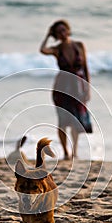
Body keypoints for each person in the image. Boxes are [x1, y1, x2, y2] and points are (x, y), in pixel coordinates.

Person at [40, 19, 92, 159]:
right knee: (63, 120)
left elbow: (85, 67)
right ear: (56, 35)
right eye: (58, 32)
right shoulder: (57, 49)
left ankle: (75, 152)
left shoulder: (79, 45)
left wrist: (88, 87)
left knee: (76, 120)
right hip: (62, 87)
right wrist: (48, 35)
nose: (62, 33)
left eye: (64, 30)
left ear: (68, 30)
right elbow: (43, 50)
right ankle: (65, 152)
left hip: (78, 86)